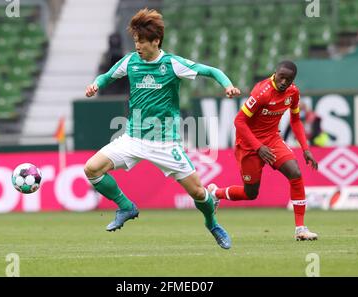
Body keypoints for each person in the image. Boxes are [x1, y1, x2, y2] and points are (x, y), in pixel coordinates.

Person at [83, 8, 241, 249]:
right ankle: (126, 207)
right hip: (133, 138)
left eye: (142, 42)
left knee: (199, 193)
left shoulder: (172, 64)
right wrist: (96, 85)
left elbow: (211, 71)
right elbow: (107, 76)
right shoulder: (131, 61)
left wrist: (227, 85)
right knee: (92, 169)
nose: (137, 46)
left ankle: (212, 223)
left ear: (156, 41)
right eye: (135, 41)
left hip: (165, 143)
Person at [208, 61, 319, 241]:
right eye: (281, 77)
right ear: (275, 73)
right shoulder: (262, 92)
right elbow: (239, 121)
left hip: (272, 140)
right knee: (250, 193)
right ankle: (215, 193)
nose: (284, 82)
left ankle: (301, 229)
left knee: (295, 173)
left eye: (288, 79)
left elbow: (296, 120)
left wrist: (306, 149)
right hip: (249, 144)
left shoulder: (293, 92)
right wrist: (258, 147)